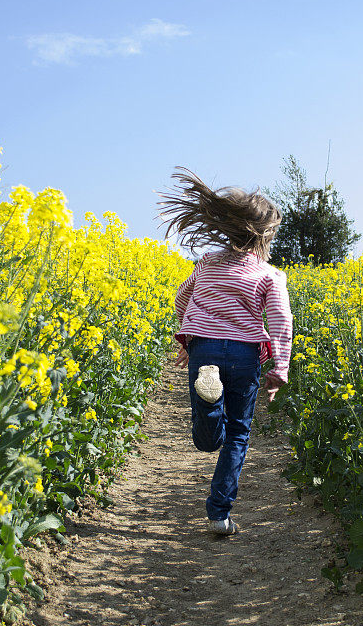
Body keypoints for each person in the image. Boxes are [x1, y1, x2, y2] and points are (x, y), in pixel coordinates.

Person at [157, 167, 293, 536]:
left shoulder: (207, 264)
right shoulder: (269, 275)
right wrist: (279, 369)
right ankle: (219, 514)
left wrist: (189, 336)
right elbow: (280, 321)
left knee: (208, 439)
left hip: (204, 350)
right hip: (244, 353)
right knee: (238, 434)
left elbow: (182, 297)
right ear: (264, 236)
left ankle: (209, 409)